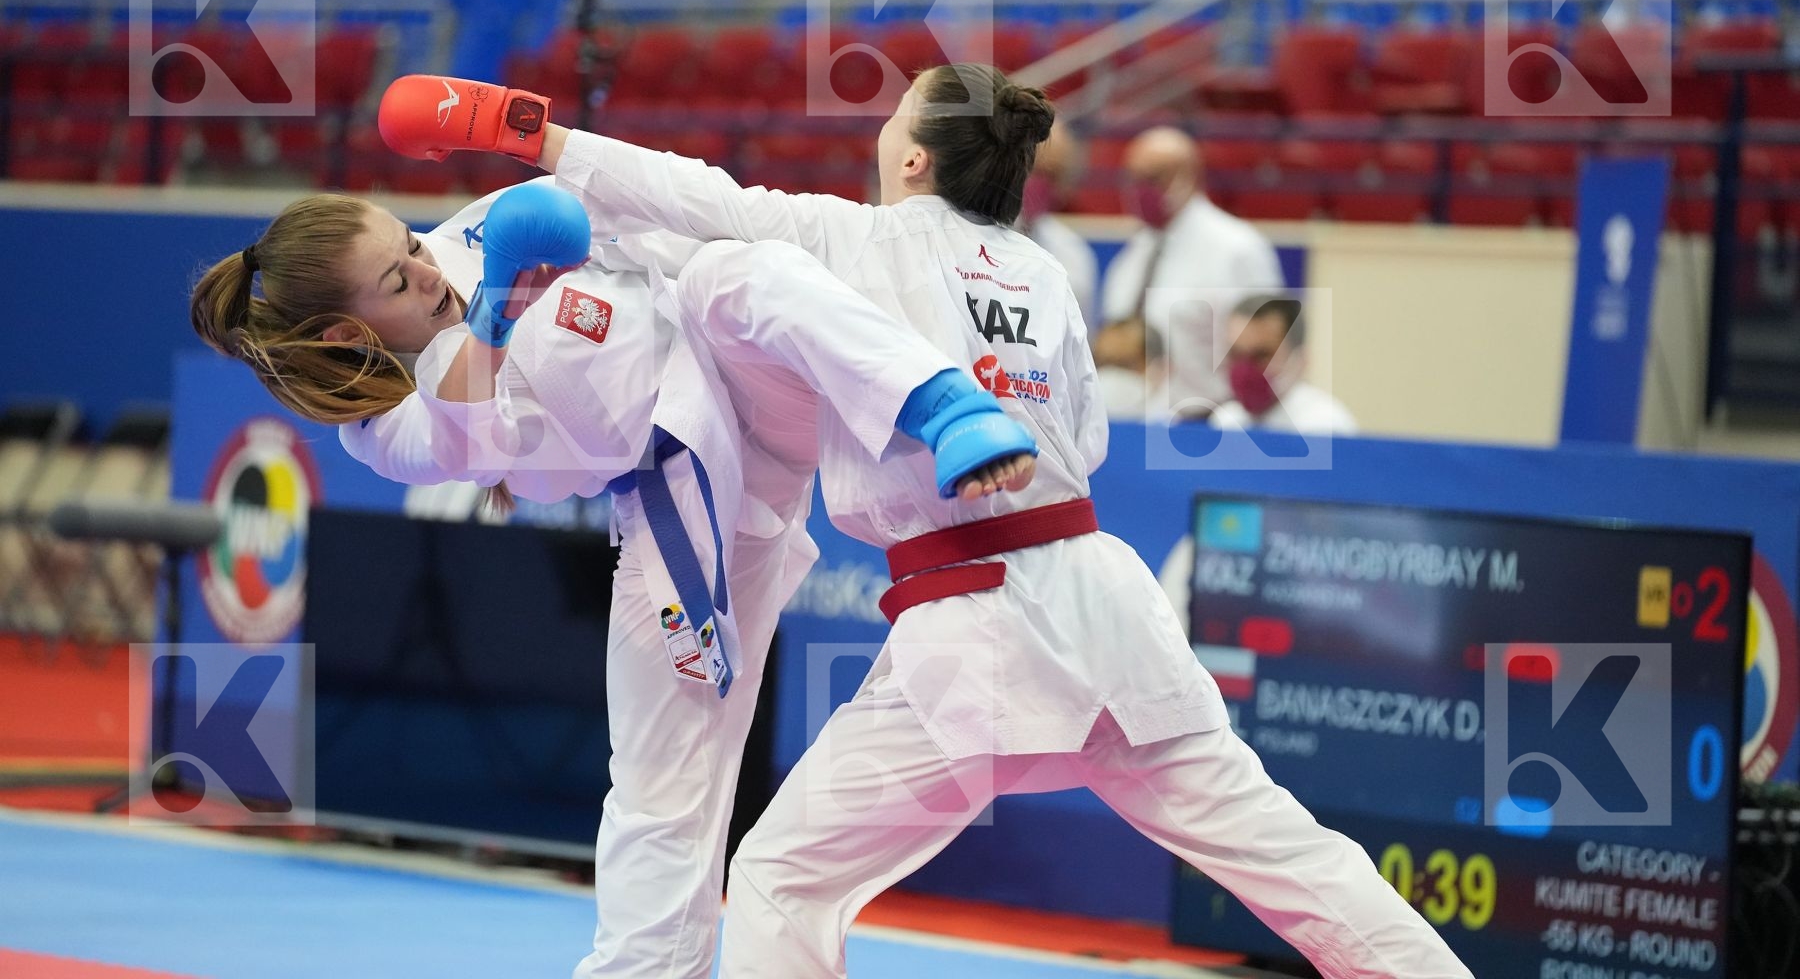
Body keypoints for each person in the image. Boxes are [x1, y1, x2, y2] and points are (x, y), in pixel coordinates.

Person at [378, 68, 1476, 979]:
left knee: (782, 881)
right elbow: (1083, 445)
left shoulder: (855, 241)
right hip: (1104, 597)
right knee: (1293, 858)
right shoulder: (1048, 275)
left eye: (893, 113)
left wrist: (521, 128)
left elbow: (692, 193)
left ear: (913, 159)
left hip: (975, 623)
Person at [189, 166, 1034, 979]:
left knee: (740, 271)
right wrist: (494, 310)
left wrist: (558, 168)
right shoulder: (380, 432)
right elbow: (471, 435)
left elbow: (668, 213)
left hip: (744, 375)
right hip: (679, 506)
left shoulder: (492, 224)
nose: (425, 266)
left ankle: (945, 403)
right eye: (396, 280)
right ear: (347, 333)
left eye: (408, 241)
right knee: (658, 788)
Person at [1092, 126, 1282, 421]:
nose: (1141, 189)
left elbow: (1267, 349)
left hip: (1209, 424)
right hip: (1134, 423)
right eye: (1133, 178)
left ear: (1189, 175)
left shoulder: (1237, 250)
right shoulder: (1133, 254)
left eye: (1153, 177)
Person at [1210, 294, 1358, 434]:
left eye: (1262, 356)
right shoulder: (1226, 421)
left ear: (1300, 360)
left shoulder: (1325, 425)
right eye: (1236, 354)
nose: (1245, 368)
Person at [1019, 119, 1098, 326]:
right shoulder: (973, 239)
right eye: (1034, 170)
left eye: (1052, 175)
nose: (1040, 183)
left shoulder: (1074, 253)